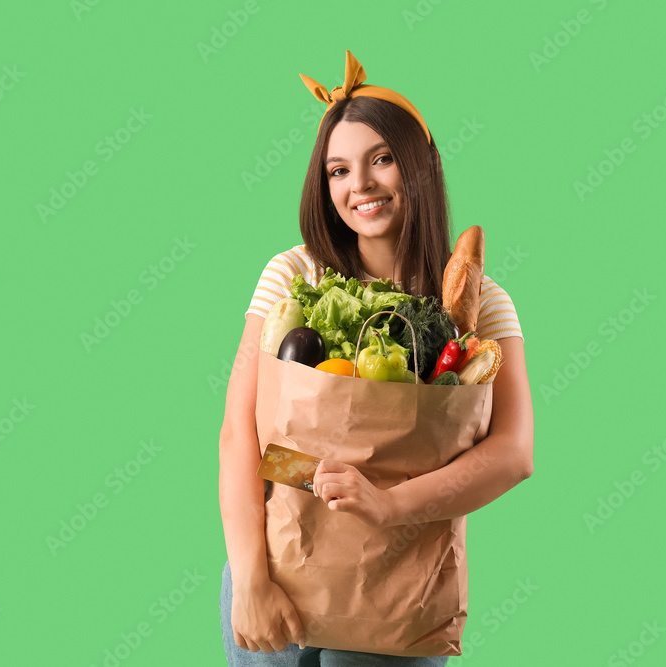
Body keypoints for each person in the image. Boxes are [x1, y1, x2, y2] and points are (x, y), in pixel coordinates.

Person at [218, 50, 535, 665]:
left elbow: (514, 452)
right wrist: (251, 579)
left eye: (381, 160)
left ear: (419, 167)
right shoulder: (294, 273)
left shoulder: (480, 301)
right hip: (278, 569)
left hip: (399, 590)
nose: (358, 184)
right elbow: (238, 433)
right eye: (338, 169)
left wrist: (389, 504)